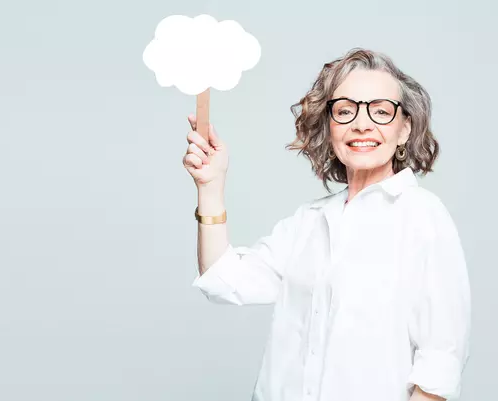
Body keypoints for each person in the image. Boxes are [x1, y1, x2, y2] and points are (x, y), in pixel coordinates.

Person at [181, 48, 471, 401]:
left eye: (380, 111)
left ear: (404, 128)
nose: (362, 124)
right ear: (329, 125)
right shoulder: (309, 221)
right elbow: (223, 281)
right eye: (345, 110)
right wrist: (210, 188)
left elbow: (441, 361)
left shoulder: (423, 217)